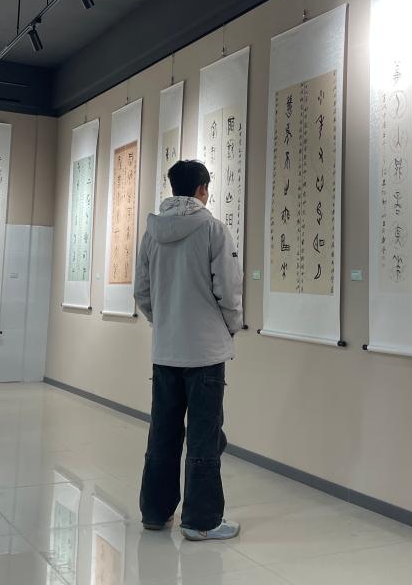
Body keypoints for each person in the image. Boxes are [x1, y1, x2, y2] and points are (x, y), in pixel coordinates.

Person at [134, 159, 243, 541]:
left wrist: (164, 322)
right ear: (202, 189)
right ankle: (201, 521)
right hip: (205, 353)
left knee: (162, 433)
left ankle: (155, 512)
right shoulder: (214, 230)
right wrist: (230, 328)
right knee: (203, 436)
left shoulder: (151, 234)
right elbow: (228, 290)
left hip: (165, 350)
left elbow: (142, 292)